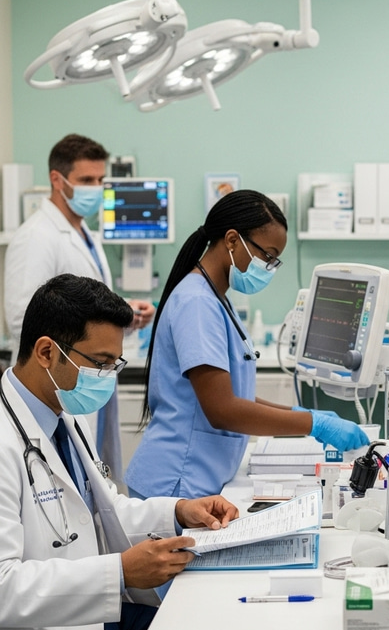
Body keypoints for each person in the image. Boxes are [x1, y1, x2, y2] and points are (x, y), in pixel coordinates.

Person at [0, 274, 239, 630]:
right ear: (46, 352)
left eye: (115, 364)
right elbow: (4, 588)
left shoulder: (62, 415)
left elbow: (103, 509)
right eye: (100, 362)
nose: (108, 376)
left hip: (97, 620)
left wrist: (178, 511)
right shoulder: (5, 441)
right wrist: (121, 573)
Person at [125, 189, 369, 500]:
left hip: (196, 476)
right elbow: (222, 409)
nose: (269, 267)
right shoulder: (196, 302)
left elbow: (232, 394)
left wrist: (299, 412)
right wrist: (312, 423)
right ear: (232, 240)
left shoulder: (216, 298)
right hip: (176, 481)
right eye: (267, 255)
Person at [4, 134, 156, 479]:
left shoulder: (85, 233)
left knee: (94, 483)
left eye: (101, 180)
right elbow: (23, 319)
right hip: (58, 381)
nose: (96, 189)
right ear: (57, 180)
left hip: (88, 377)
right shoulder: (36, 237)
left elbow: (86, 305)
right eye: (87, 180)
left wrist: (124, 314)